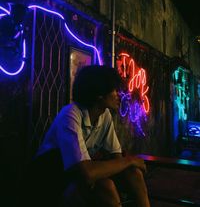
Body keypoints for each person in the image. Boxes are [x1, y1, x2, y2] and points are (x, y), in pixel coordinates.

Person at [23, 65, 150, 207]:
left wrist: (128, 165)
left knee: (133, 174)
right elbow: (86, 173)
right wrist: (130, 160)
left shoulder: (104, 115)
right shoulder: (71, 114)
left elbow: (116, 158)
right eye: (114, 90)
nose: (119, 95)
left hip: (77, 175)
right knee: (106, 187)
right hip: (50, 180)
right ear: (99, 95)